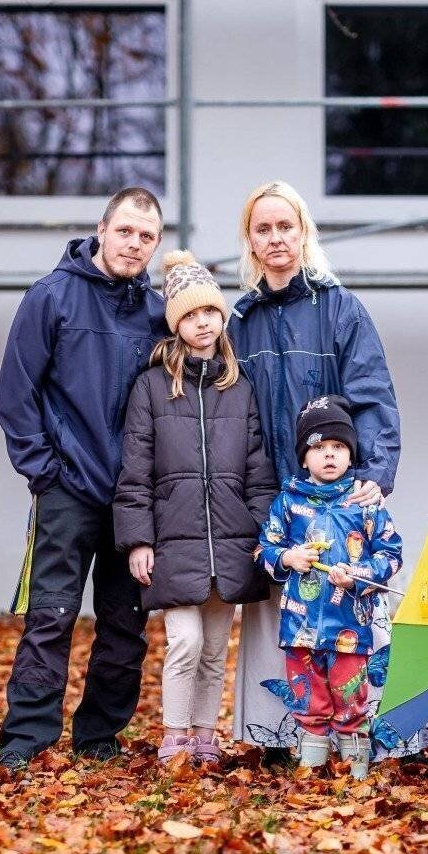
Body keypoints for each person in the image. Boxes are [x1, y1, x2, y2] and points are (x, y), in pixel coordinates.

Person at [225, 180, 428, 767]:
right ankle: (282, 735)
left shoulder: (341, 309)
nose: (275, 238)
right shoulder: (242, 321)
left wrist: (376, 472)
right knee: (279, 614)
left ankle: (378, 735)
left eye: (285, 226)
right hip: (277, 495)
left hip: (342, 498)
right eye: (263, 229)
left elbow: (372, 394)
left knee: (355, 605)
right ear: (250, 241)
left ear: (304, 232)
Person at [0, 187, 167, 772]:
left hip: (133, 497)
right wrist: (44, 471)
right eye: (125, 231)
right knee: (50, 614)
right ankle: (27, 736)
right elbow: (16, 394)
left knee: (126, 624)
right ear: (102, 230)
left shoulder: (157, 314)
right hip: (67, 488)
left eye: (146, 236)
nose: (134, 244)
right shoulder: (51, 297)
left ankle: (99, 735)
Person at [113, 251, 277, 764]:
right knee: (183, 641)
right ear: (175, 324)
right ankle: (174, 737)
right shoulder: (151, 387)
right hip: (174, 541)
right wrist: (138, 540)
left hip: (232, 542)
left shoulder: (240, 388)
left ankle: (205, 737)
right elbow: (135, 471)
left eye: (209, 311)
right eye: (189, 315)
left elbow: (258, 471)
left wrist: (263, 533)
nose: (202, 322)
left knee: (213, 647)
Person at [256, 395, 402, 779]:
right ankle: (312, 764)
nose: (330, 455)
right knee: (308, 697)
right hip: (300, 628)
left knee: (350, 694)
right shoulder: (288, 502)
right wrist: (288, 558)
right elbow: (264, 549)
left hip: (350, 626)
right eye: (319, 447)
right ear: (304, 458)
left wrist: (359, 573)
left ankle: (355, 766)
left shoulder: (365, 502)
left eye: (339, 446)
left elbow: (391, 555)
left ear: (351, 455)